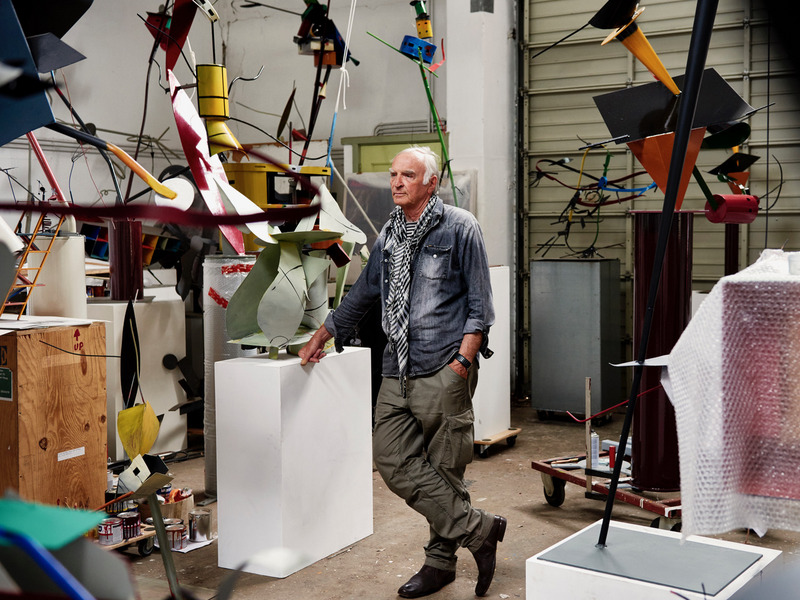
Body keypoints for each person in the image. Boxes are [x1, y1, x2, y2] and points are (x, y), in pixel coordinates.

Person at [299, 146, 506, 598]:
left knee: (445, 470)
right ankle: (481, 530)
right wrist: (325, 332)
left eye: (407, 175)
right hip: (397, 366)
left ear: (430, 183)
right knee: (391, 458)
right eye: (393, 174)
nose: (396, 182)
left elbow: (480, 307)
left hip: (444, 367)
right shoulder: (389, 232)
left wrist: (461, 364)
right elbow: (364, 292)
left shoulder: (460, 228)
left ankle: (439, 564)